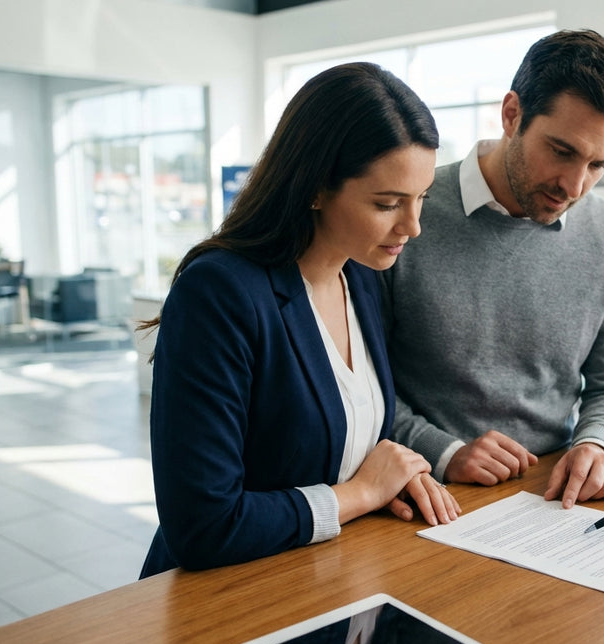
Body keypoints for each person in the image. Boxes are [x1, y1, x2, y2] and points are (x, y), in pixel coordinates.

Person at [138, 63, 458, 578]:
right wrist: (360, 493)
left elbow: (332, 432)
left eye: (421, 199)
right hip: (223, 602)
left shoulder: (362, 278)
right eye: (387, 204)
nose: (413, 226)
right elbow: (202, 526)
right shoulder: (219, 291)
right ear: (315, 187)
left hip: (318, 580)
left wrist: (394, 476)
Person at [380, 29, 604, 508]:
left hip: (550, 497)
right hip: (423, 490)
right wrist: (444, 451)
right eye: (563, 151)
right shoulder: (403, 216)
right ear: (512, 115)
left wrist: (600, 444)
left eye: (598, 165)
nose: (574, 185)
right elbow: (354, 383)